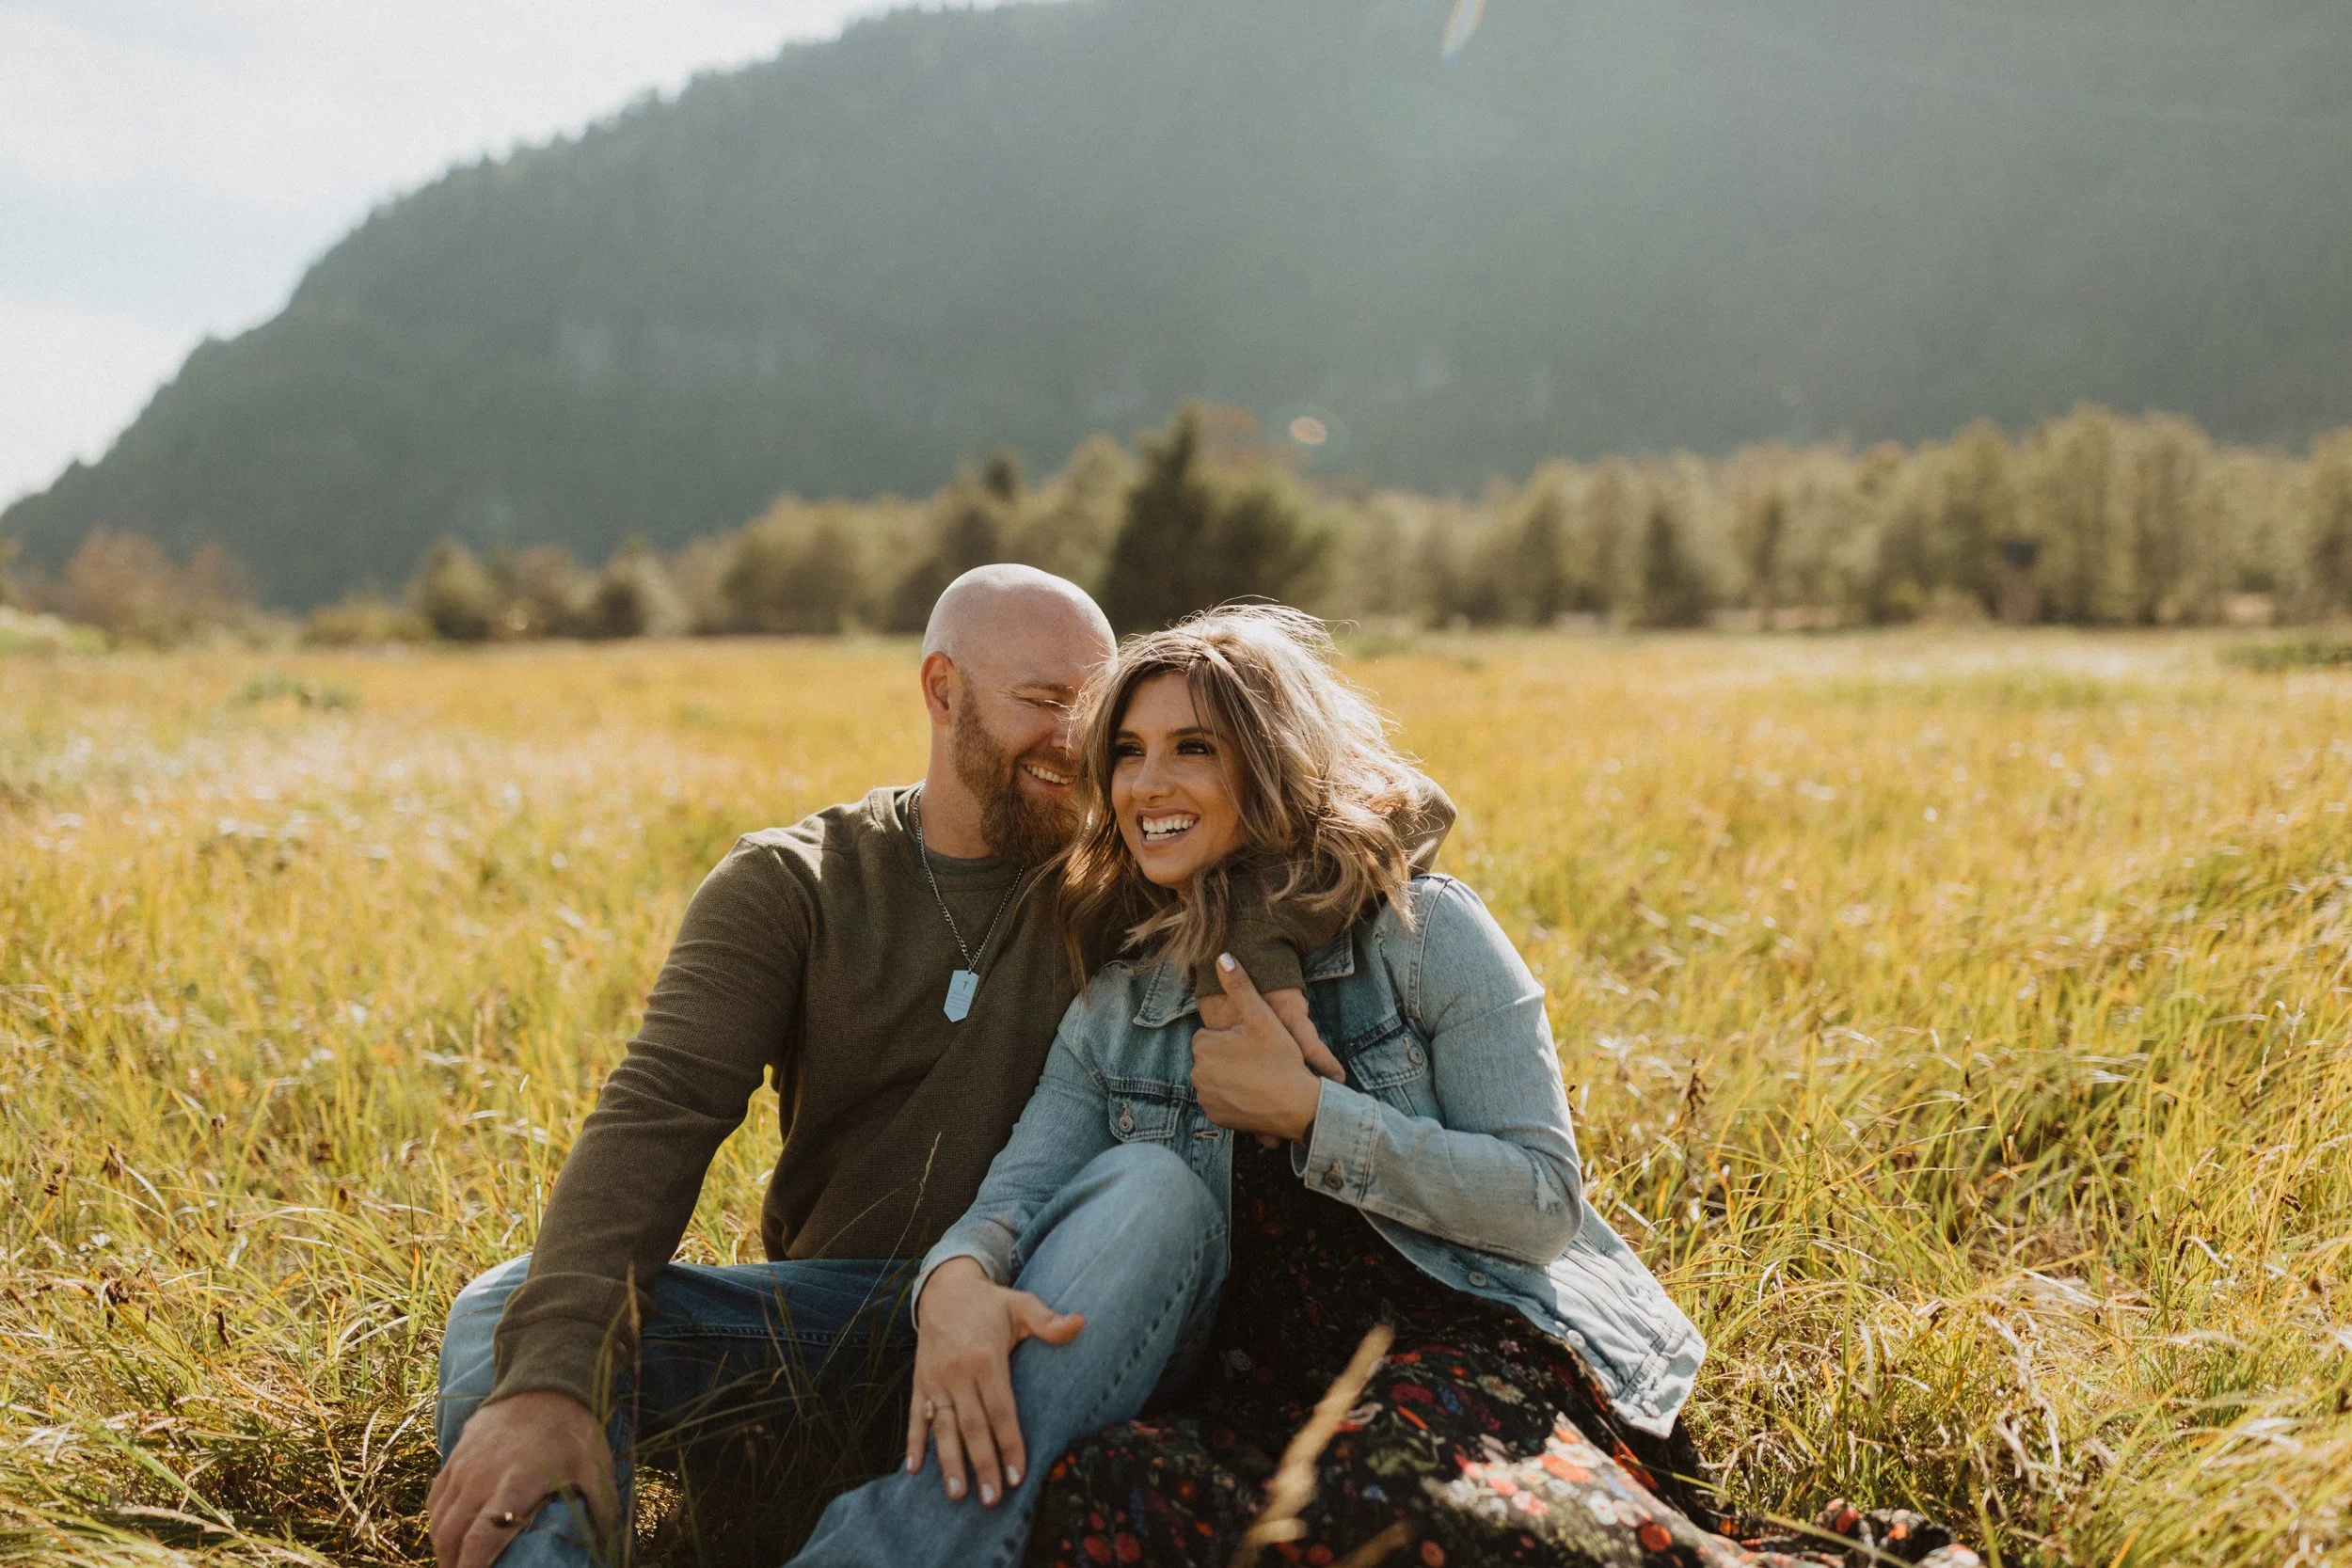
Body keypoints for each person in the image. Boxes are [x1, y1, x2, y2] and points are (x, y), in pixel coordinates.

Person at [793, 607, 1979, 1568]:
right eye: (1128, 751)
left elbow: (1539, 1200)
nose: (1147, 782)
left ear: (1263, 762)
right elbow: (1025, 1182)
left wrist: (1315, 1116)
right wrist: (955, 1275)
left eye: (1191, 746)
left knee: (1397, 1506)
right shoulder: (1123, 995)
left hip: (1469, 1341)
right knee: (1108, 1493)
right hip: (1271, 1389)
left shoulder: (1425, 932)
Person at [428, 567, 1448, 1568]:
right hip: (843, 1321)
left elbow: (1410, 808)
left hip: (1061, 1311)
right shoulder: (795, 880)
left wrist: (1253, 934)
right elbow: (658, 1111)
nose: (1072, 739)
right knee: (508, 1318)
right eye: (1041, 701)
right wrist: (553, 1380)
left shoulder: (1135, 867)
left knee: (1154, 1187)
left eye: (1089, 709)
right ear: (941, 688)